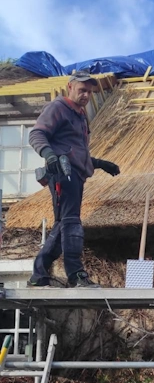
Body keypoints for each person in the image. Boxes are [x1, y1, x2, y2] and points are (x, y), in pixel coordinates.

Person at [27, 71, 120, 288]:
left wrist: (100, 163)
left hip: (75, 174)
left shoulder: (79, 115)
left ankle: (38, 274)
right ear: (70, 87)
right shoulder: (58, 108)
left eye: (90, 91)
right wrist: (49, 155)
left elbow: (76, 152)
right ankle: (76, 275)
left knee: (63, 223)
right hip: (62, 172)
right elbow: (37, 134)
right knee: (71, 222)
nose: (86, 95)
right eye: (82, 90)